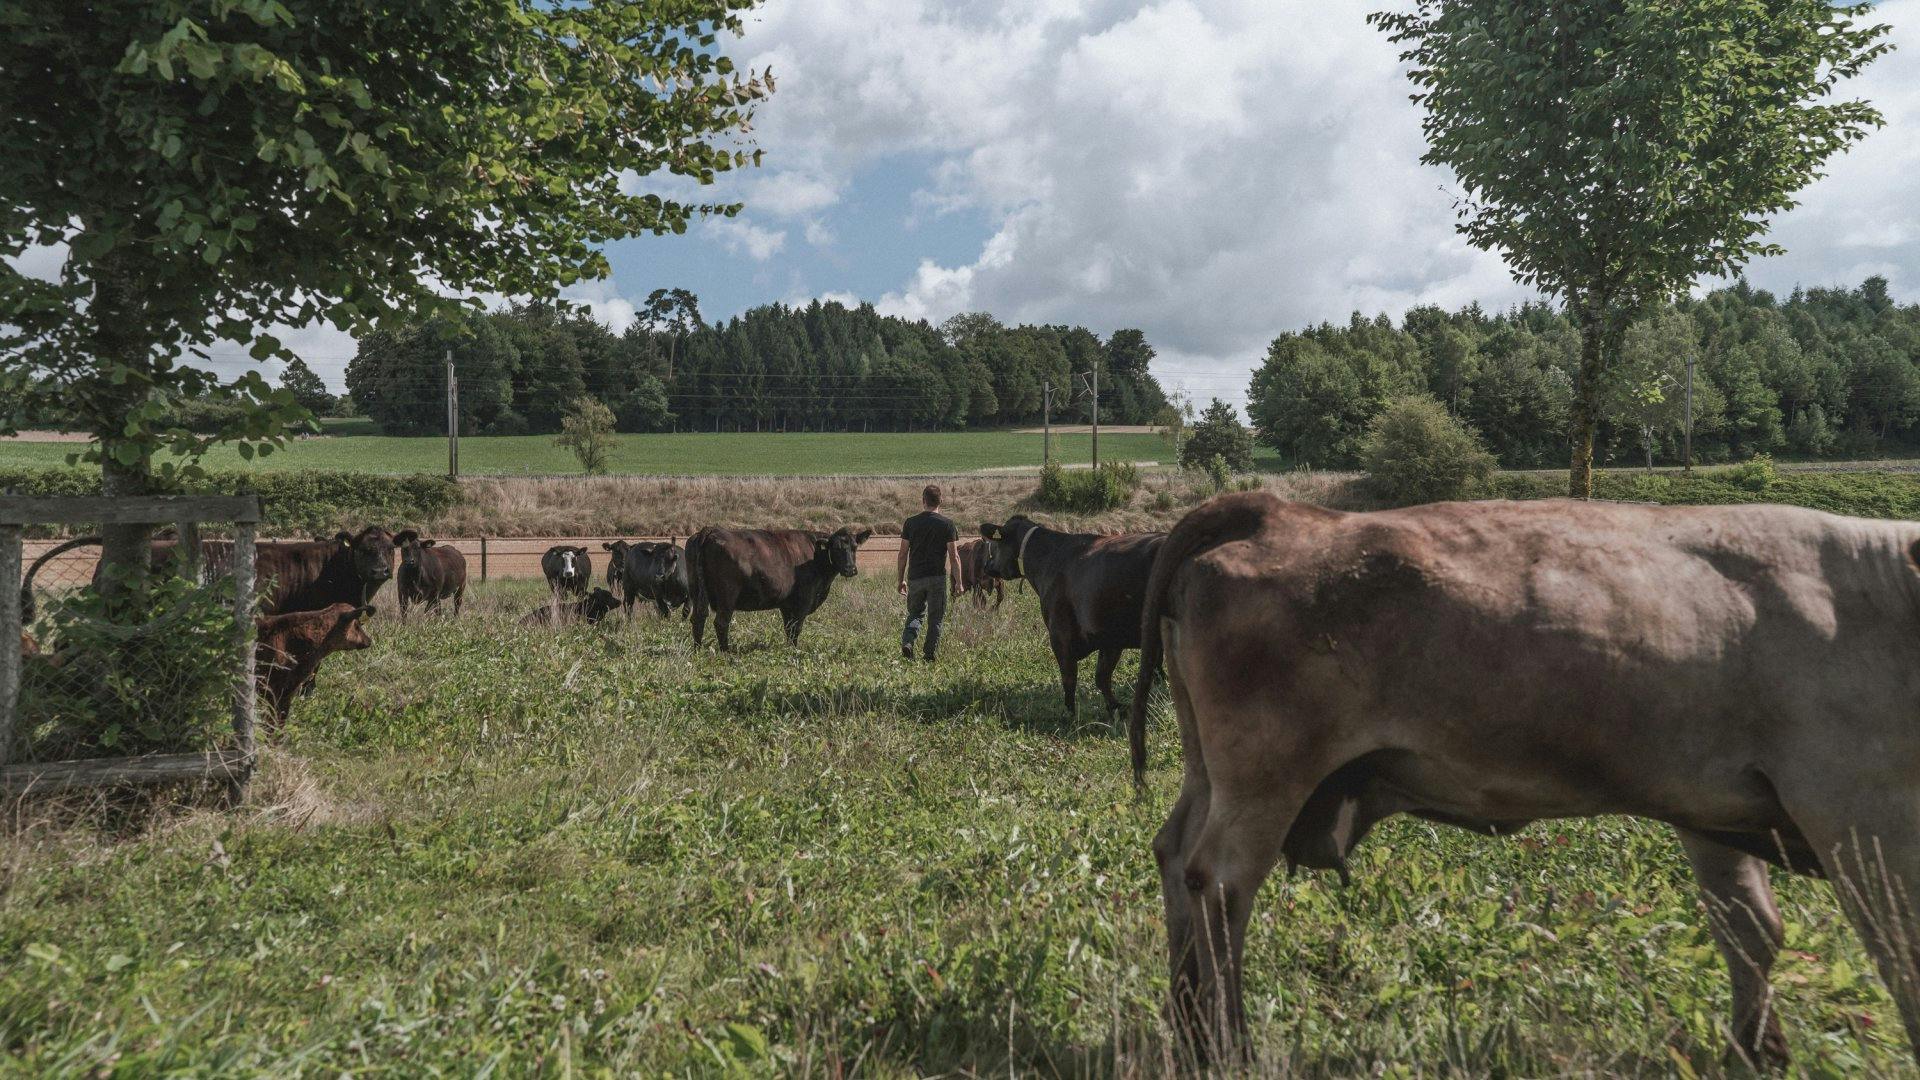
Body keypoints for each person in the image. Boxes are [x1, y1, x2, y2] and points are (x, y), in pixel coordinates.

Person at [898, 483, 963, 662]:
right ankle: (929, 655)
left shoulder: (910, 523)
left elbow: (902, 554)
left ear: (923, 501)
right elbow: (954, 556)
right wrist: (959, 582)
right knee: (935, 618)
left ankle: (908, 641)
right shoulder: (947, 524)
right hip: (937, 578)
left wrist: (900, 579)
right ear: (941, 500)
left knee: (915, 614)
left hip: (915, 578)